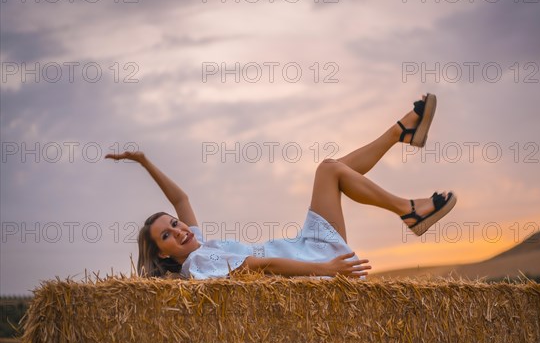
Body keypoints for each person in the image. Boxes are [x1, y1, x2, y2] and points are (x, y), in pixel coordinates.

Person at [105, 94, 456, 280]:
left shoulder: (198, 248)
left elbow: (180, 198)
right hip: (310, 263)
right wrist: (326, 270)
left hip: (302, 248)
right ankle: (408, 210)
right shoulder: (198, 266)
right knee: (328, 170)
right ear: (163, 254)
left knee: (330, 170)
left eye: (174, 224)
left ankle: (401, 133)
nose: (179, 229)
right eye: (167, 235)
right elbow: (259, 268)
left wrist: (144, 161)